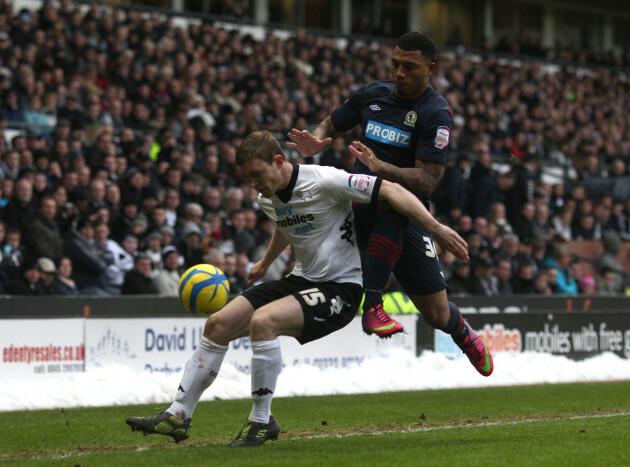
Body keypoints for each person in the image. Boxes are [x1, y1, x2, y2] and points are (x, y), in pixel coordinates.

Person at [126, 130, 469, 446]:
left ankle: (261, 421)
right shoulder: (267, 197)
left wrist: (437, 229)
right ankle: (178, 415)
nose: (253, 184)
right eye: (247, 178)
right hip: (301, 280)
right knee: (217, 325)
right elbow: (285, 221)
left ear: (279, 161)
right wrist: (264, 262)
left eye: (257, 174)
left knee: (264, 322)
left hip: (341, 289)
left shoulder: (325, 180)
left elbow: (392, 190)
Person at [287, 31, 493, 376]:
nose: (399, 73)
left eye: (409, 67)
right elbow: (332, 122)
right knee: (382, 197)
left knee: (437, 314)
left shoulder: (435, 112)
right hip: (359, 204)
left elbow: (429, 180)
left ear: (430, 69)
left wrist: (382, 168)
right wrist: (317, 139)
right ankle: (373, 307)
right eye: (395, 64)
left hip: (405, 212)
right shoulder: (372, 94)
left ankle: (463, 332)